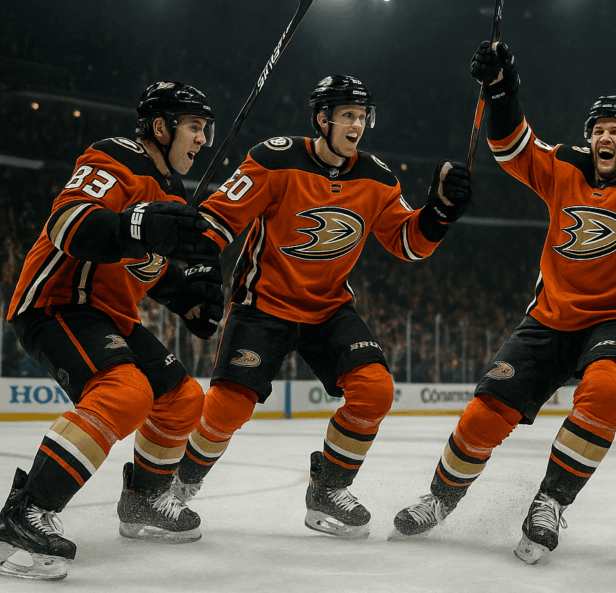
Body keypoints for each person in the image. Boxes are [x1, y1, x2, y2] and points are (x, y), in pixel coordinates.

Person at [390, 42, 616, 564]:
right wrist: (502, 89)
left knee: (609, 392)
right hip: (548, 317)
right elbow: (510, 146)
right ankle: (440, 498)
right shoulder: (564, 166)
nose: (604, 136)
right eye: (598, 128)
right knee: (484, 413)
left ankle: (550, 501)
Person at [171, 75, 472, 540]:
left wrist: (440, 212)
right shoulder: (274, 159)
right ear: (322, 118)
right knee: (228, 408)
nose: (358, 125)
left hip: (329, 308)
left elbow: (409, 244)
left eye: (362, 116)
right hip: (264, 305)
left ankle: (328, 489)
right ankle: (178, 487)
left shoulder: (377, 178)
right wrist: (192, 259)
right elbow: (218, 218)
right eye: (348, 115)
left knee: (375, 391)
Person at [1, 82, 224, 581]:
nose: (203, 139)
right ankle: (23, 514)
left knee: (183, 399)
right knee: (125, 393)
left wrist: (189, 296)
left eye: (207, 129)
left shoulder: (171, 193)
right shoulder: (116, 156)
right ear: (161, 127)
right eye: (194, 127)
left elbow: (145, 266)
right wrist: (138, 225)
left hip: (111, 313)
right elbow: (68, 224)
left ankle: (142, 500)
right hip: (59, 301)